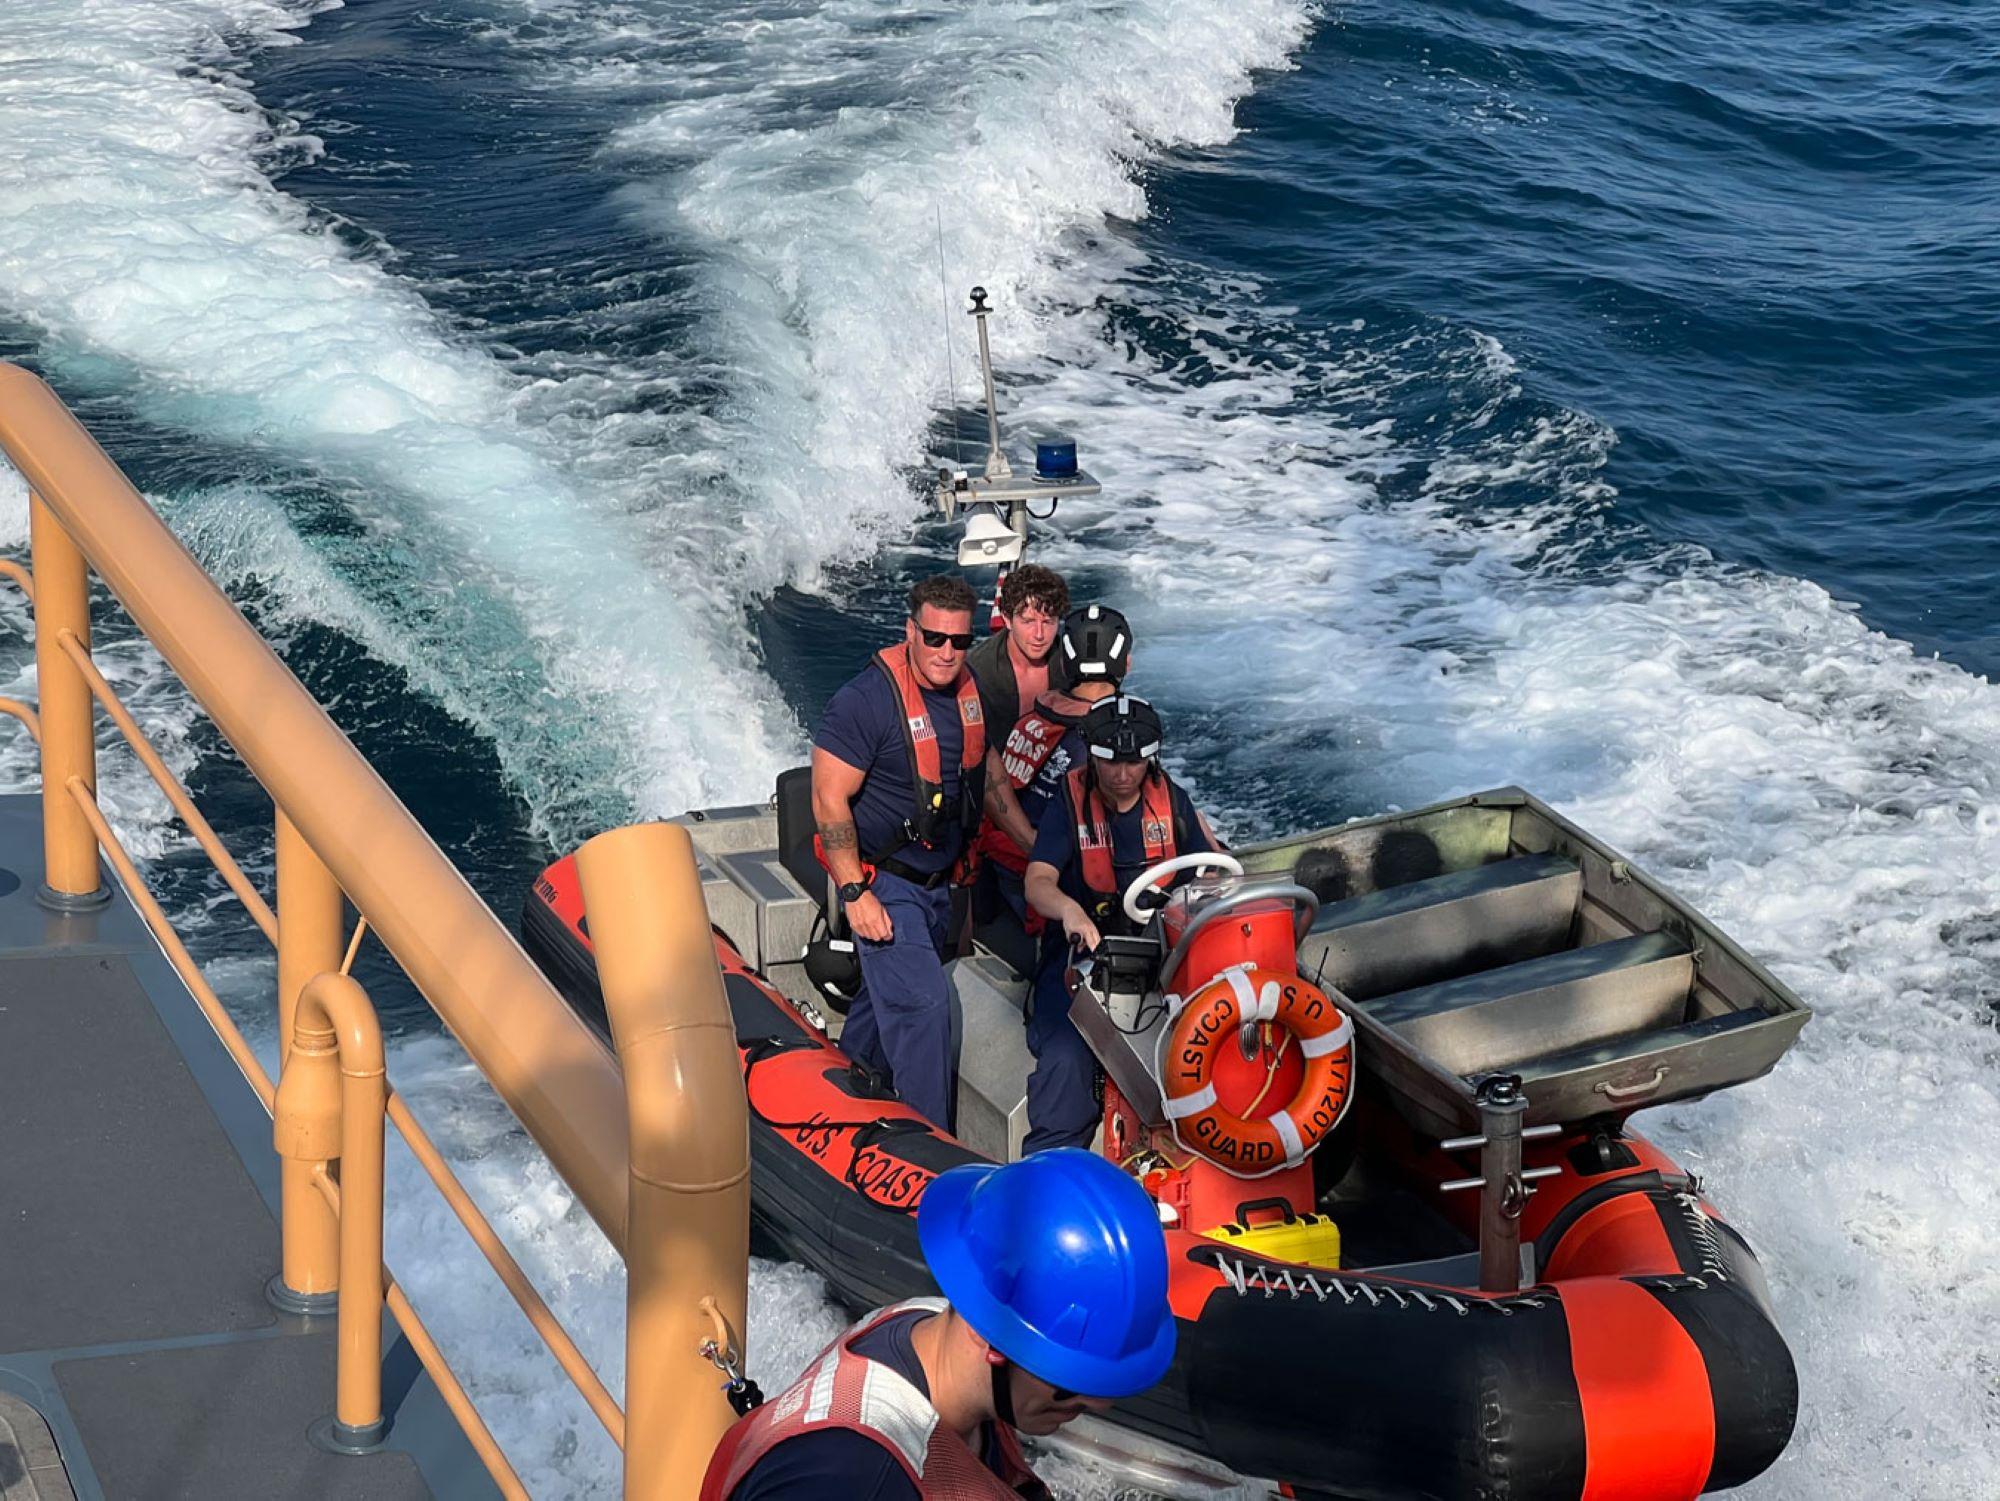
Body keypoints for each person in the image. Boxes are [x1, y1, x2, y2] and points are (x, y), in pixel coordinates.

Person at [703, 1149, 1177, 1500]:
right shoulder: (851, 1475)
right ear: (987, 1334)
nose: (1098, 1404)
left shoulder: (926, 1327)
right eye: (1069, 1380)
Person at [812, 576, 987, 1132]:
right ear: (910, 631)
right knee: (923, 1011)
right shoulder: (864, 703)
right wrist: (855, 893)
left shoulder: (966, 692)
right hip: (885, 886)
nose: (946, 653)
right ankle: (931, 1162)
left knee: (880, 1008)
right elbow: (828, 797)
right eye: (934, 638)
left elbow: (989, 779)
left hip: (939, 888)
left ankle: (838, 1097)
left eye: (959, 642)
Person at [1021, 696, 1218, 1152]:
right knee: (1066, 1060)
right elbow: (1038, 880)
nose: (1122, 775)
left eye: (1134, 763)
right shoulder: (1068, 802)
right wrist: (1069, 909)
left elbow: (1212, 864)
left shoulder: (1171, 800)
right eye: (1110, 762)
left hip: (1160, 962)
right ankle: (1051, 1165)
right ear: (1092, 754)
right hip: (1081, 962)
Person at [977, 604, 1134, 927]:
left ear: (1065, 661)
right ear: (1126, 664)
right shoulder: (1107, 745)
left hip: (1003, 863)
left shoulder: (1036, 719)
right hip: (1054, 887)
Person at [966, 564, 1069, 732]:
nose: (1039, 634)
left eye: (1048, 622)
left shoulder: (1073, 664)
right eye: (1028, 622)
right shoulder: (976, 671)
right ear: (1007, 619)